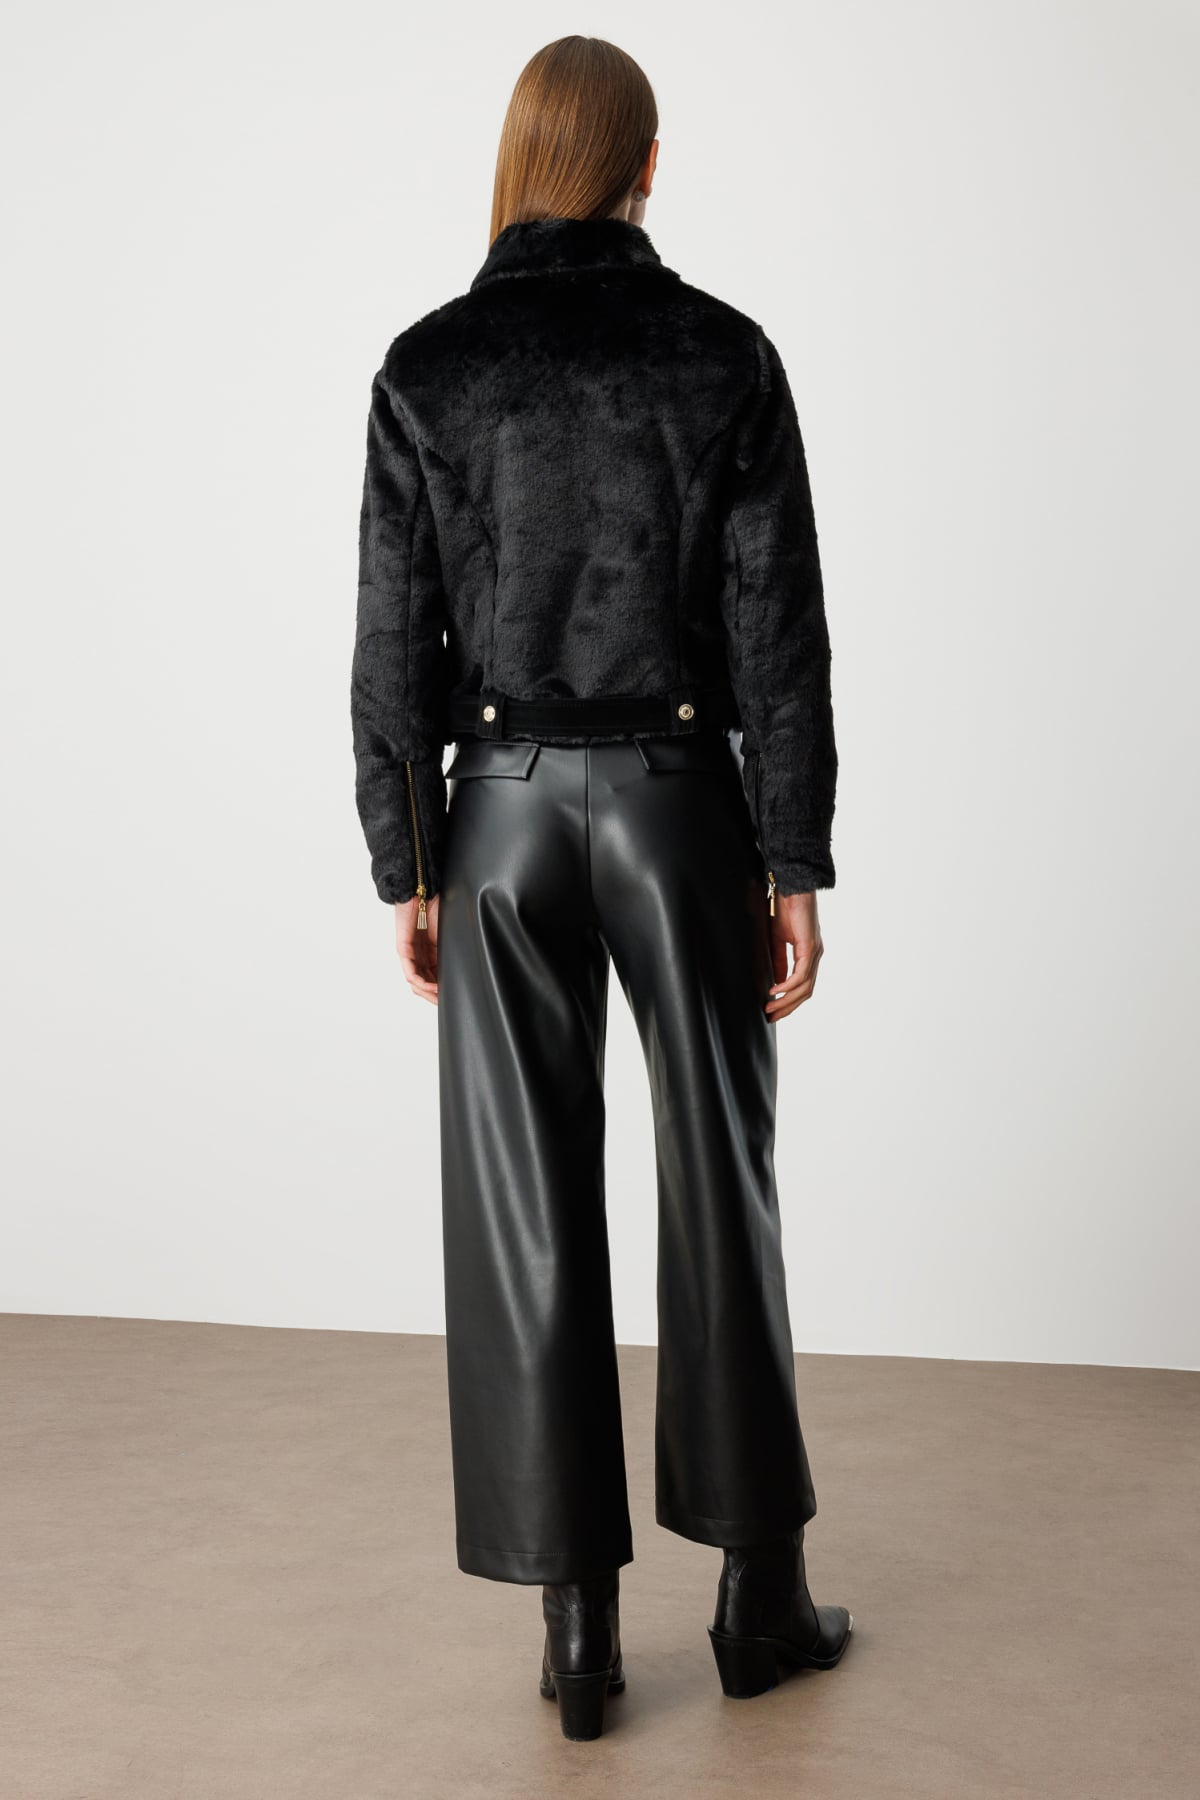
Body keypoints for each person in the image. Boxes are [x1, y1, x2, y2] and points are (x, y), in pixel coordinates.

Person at [351, 35, 852, 1742]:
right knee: (723, 1182)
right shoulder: (723, 354)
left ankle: (577, 1637)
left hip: (495, 817)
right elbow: (779, 628)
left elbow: (389, 639)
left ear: (521, 160)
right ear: (646, 165)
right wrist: (794, 854)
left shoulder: (429, 366)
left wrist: (408, 860)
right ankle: (759, 1596)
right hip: (677, 805)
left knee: (524, 1212)